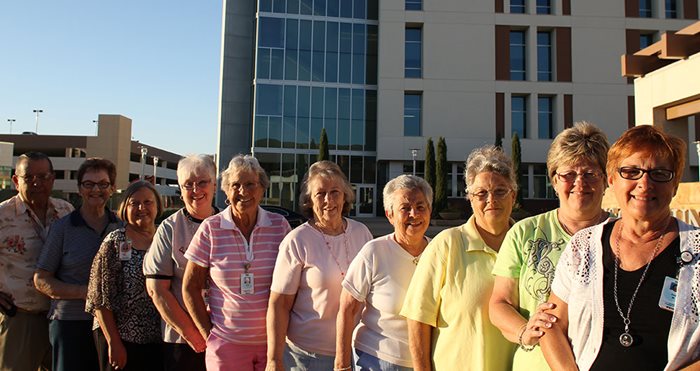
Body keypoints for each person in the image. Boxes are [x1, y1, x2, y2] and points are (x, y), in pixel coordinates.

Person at [541, 125, 700, 371]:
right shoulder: (583, 247)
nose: (644, 183)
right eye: (631, 171)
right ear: (612, 179)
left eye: (659, 173)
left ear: (675, 184)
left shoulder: (697, 253)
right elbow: (551, 325)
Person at [489, 122, 610, 370]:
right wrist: (525, 330)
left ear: (606, 180)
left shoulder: (621, 235)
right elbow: (499, 303)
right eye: (568, 175)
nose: (580, 183)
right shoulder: (525, 233)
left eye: (590, 174)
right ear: (554, 181)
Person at [400, 145, 517, 371]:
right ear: (470, 199)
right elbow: (418, 319)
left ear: (513, 194)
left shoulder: (526, 244)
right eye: (481, 193)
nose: (491, 199)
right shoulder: (447, 245)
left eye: (500, 191)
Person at [183, 154, 291, 371]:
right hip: (226, 347)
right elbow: (190, 287)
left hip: (273, 346)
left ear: (262, 188)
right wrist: (209, 335)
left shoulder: (280, 226)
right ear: (226, 190)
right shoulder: (210, 228)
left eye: (250, 184)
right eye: (235, 185)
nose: (243, 192)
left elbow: (293, 286)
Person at [266, 160, 373, 371]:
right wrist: (274, 359)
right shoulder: (297, 240)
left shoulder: (363, 234)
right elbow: (279, 305)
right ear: (308, 199)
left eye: (335, 192)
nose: (328, 200)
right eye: (320, 193)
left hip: (357, 351)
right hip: (307, 357)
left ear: (345, 195)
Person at [334, 175, 433, 371]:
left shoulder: (438, 251)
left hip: (425, 362)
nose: (414, 214)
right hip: (378, 360)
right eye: (405, 208)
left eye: (421, 207)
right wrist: (341, 365)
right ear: (389, 215)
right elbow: (347, 309)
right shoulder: (374, 252)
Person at [34, 158, 121, 371]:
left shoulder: (121, 227)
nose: (96, 190)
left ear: (112, 188)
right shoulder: (63, 228)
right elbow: (41, 280)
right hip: (71, 323)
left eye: (103, 184)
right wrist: (87, 292)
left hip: (112, 326)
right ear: (79, 189)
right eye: (89, 184)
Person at [143, 154, 219, 371]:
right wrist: (194, 335)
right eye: (188, 184)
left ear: (214, 184)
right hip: (183, 341)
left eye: (202, 182)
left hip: (224, 337)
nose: (196, 190)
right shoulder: (170, 229)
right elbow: (157, 290)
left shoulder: (227, 223)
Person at [0, 152, 74, 371]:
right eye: (28, 177)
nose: (36, 183)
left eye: (42, 177)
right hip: (20, 318)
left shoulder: (66, 212)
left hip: (61, 317)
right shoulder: (3, 216)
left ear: (52, 179)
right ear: (16, 181)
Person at [85, 180, 164, 371]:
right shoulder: (114, 241)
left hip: (158, 340)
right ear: (124, 207)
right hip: (120, 339)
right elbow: (100, 298)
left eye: (147, 202)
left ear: (158, 206)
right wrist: (114, 342)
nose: (141, 208)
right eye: (134, 203)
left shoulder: (165, 238)